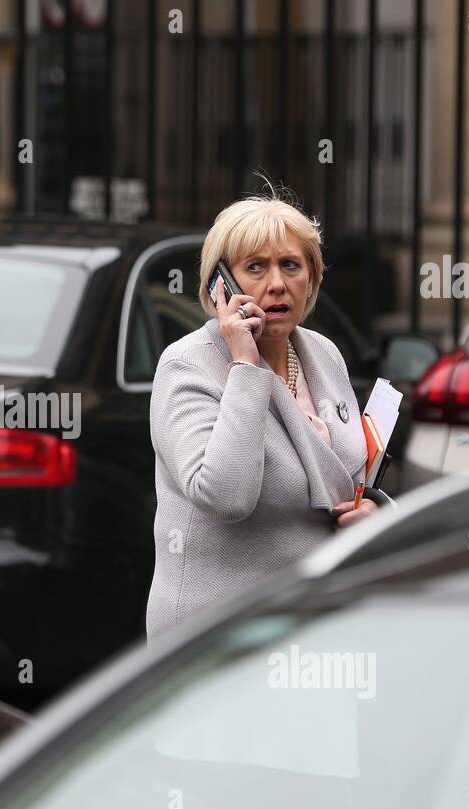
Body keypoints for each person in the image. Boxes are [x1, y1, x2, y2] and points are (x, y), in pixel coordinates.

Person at [146, 191, 388, 640]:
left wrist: (371, 509)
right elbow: (225, 497)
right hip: (218, 638)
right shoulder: (188, 364)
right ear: (222, 285)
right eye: (255, 267)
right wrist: (245, 364)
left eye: (290, 266)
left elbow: (348, 476)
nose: (276, 283)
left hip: (313, 622)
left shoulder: (322, 353)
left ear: (311, 277)